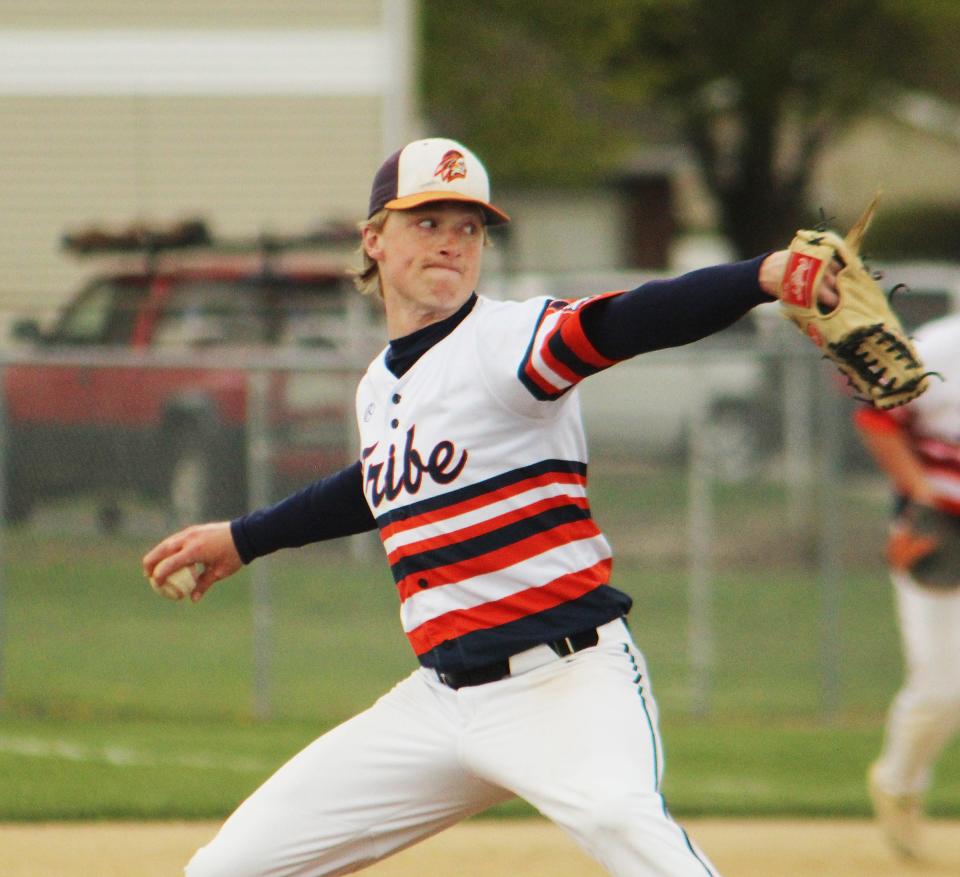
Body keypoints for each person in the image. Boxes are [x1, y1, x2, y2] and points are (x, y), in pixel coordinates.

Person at [144, 136, 839, 877]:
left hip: (564, 684)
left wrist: (761, 276)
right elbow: (373, 485)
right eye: (428, 221)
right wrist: (243, 538)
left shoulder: (507, 342)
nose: (452, 243)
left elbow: (626, 321)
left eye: (469, 227)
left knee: (623, 826)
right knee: (226, 870)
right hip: (441, 704)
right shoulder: (379, 385)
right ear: (374, 239)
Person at [854, 310, 960, 861]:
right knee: (944, 688)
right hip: (942, 536)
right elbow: (877, 417)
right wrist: (918, 495)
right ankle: (899, 783)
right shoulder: (938, 350)